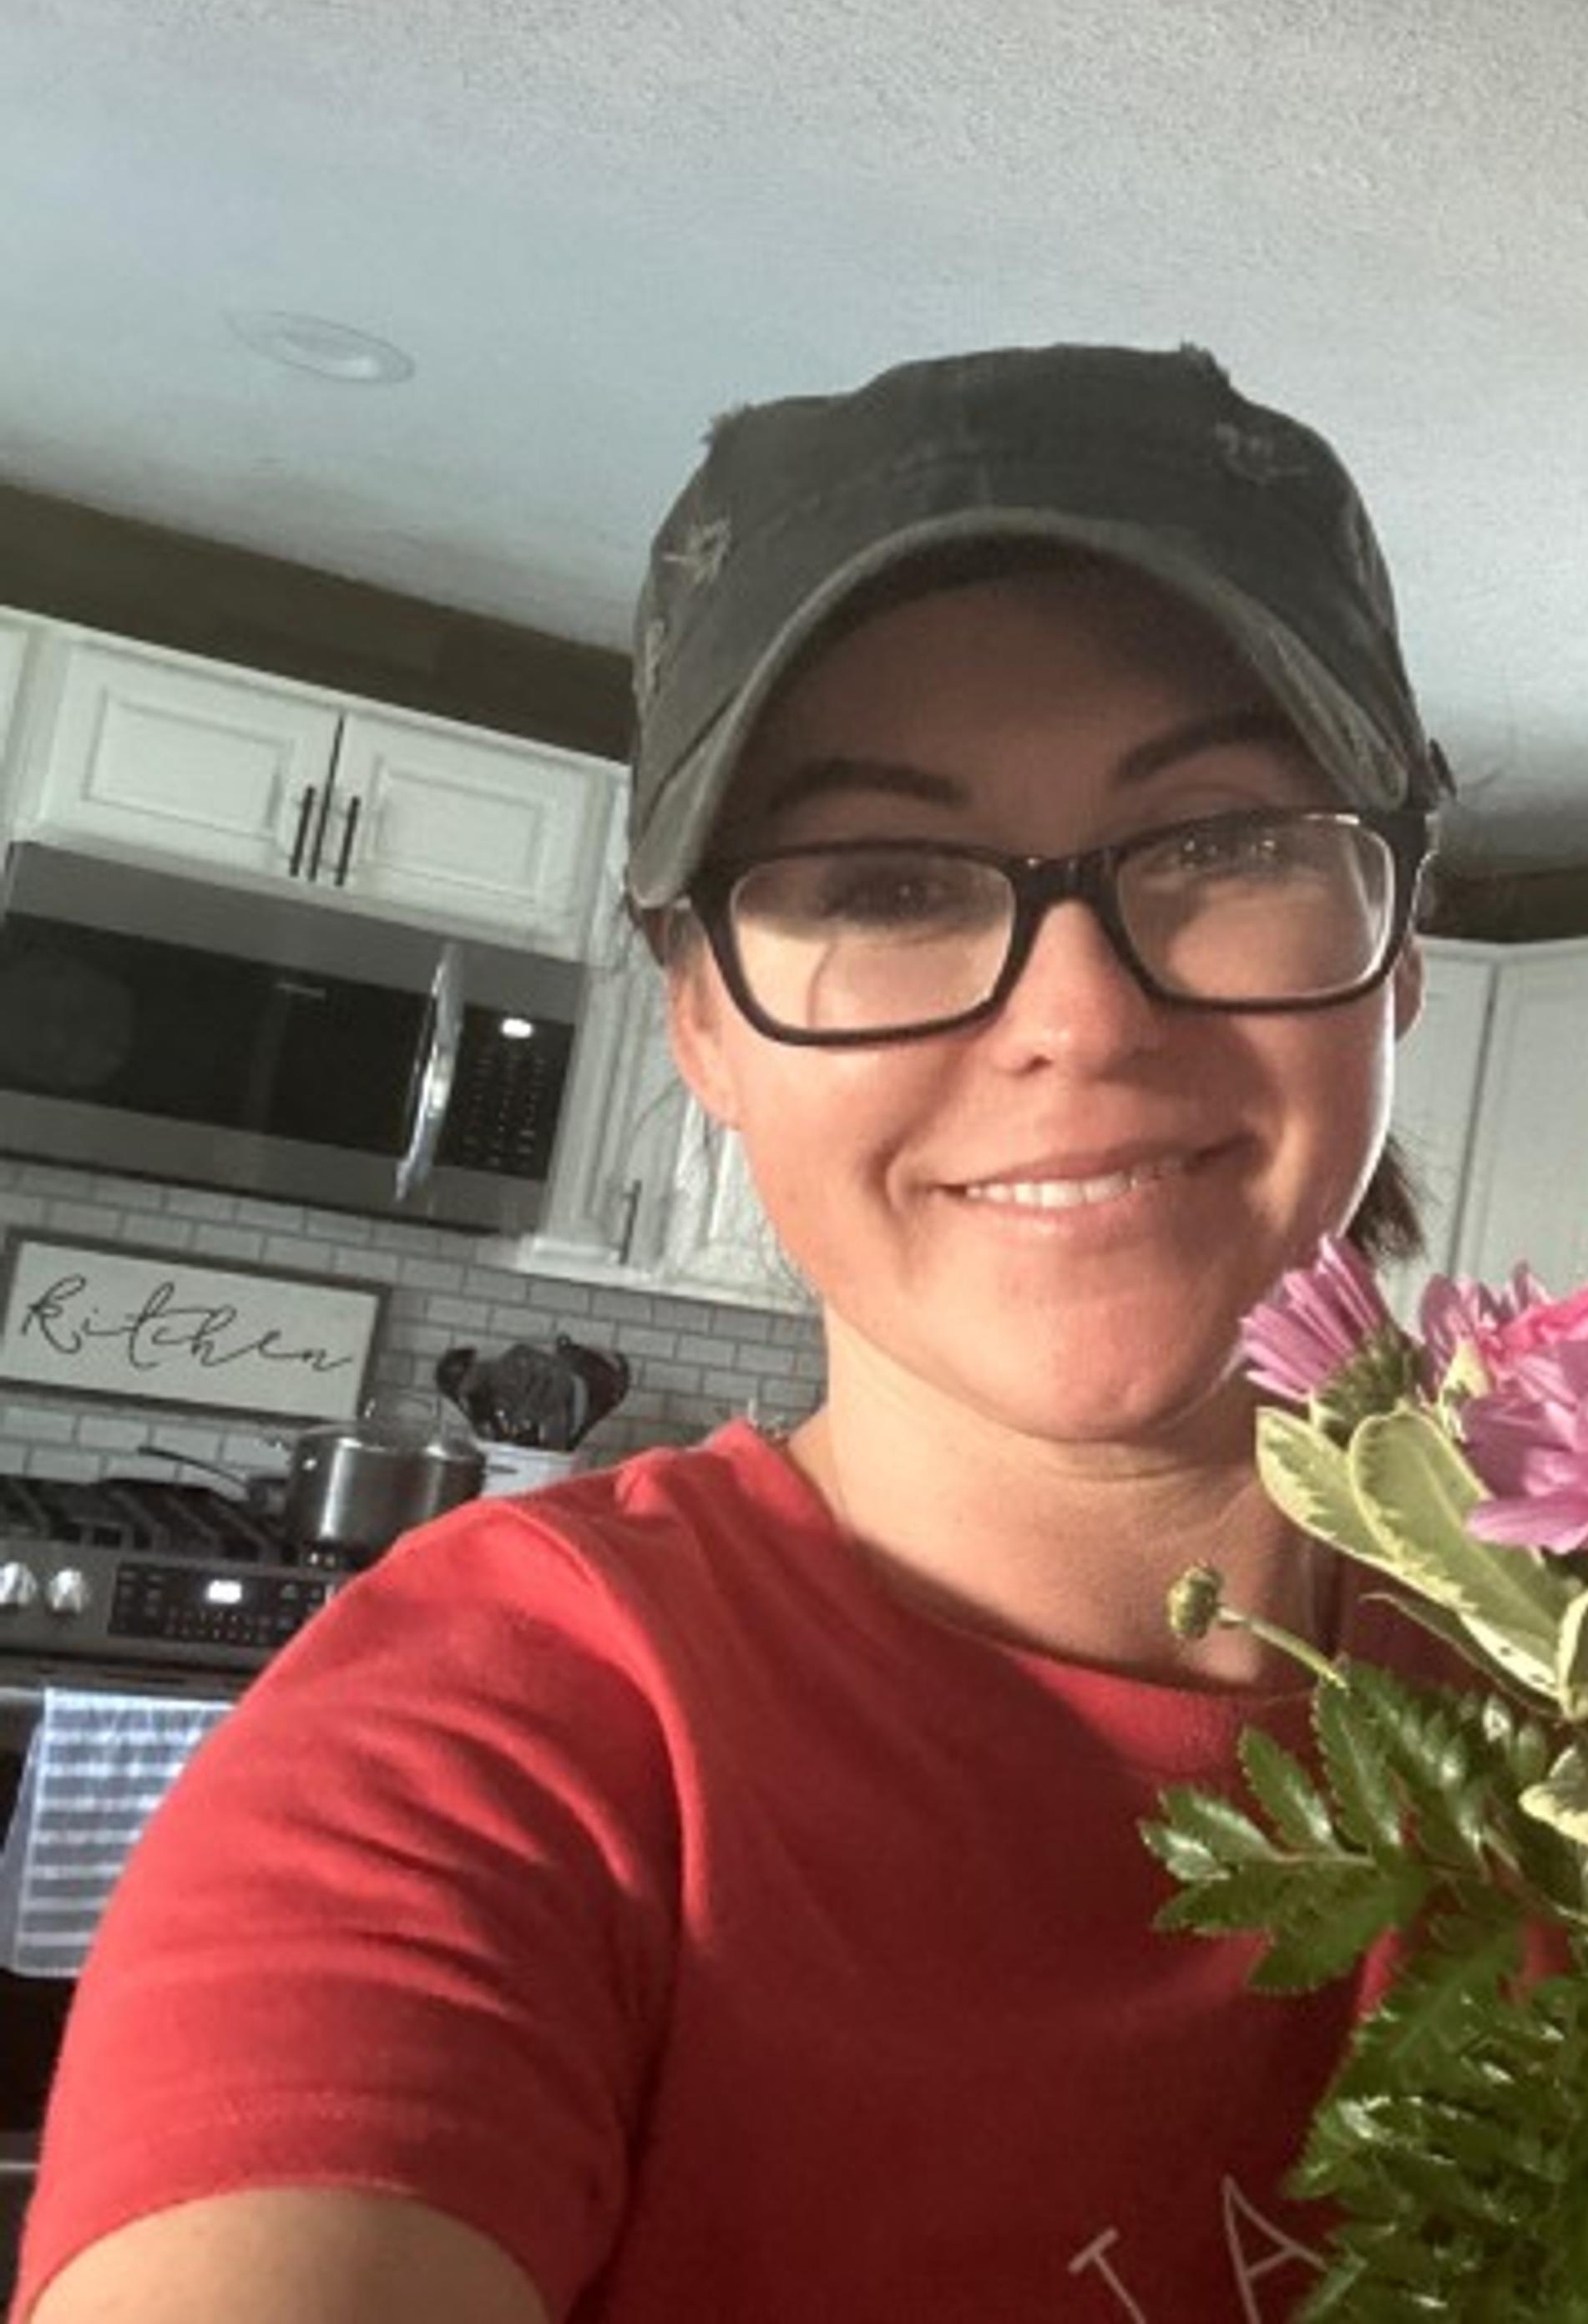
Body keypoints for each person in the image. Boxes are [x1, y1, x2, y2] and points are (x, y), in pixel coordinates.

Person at [13, 343, 1454, 2324]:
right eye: (882, 881)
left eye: (1217, 844)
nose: (1080, 1022)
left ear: (1402, 949)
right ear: (701, 1023)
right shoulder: (486, 1760)